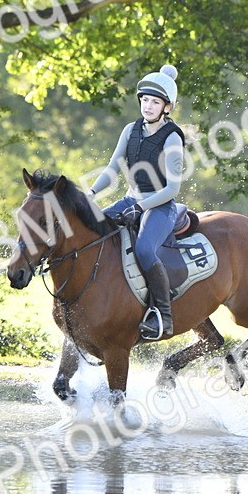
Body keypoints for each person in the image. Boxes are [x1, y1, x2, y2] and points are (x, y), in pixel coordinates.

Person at [88, 64, 186, 340]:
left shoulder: (172, 137)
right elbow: (111, 170)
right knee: (93, 230)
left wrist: (141, 207)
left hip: (160, 207)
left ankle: (163, 316)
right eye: (145, 100)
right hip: (130, 199)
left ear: (167, 107)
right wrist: (92, 194)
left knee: (144, 249)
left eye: (155, 102)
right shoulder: (130, 130)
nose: (148, 106)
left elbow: (172, 188)